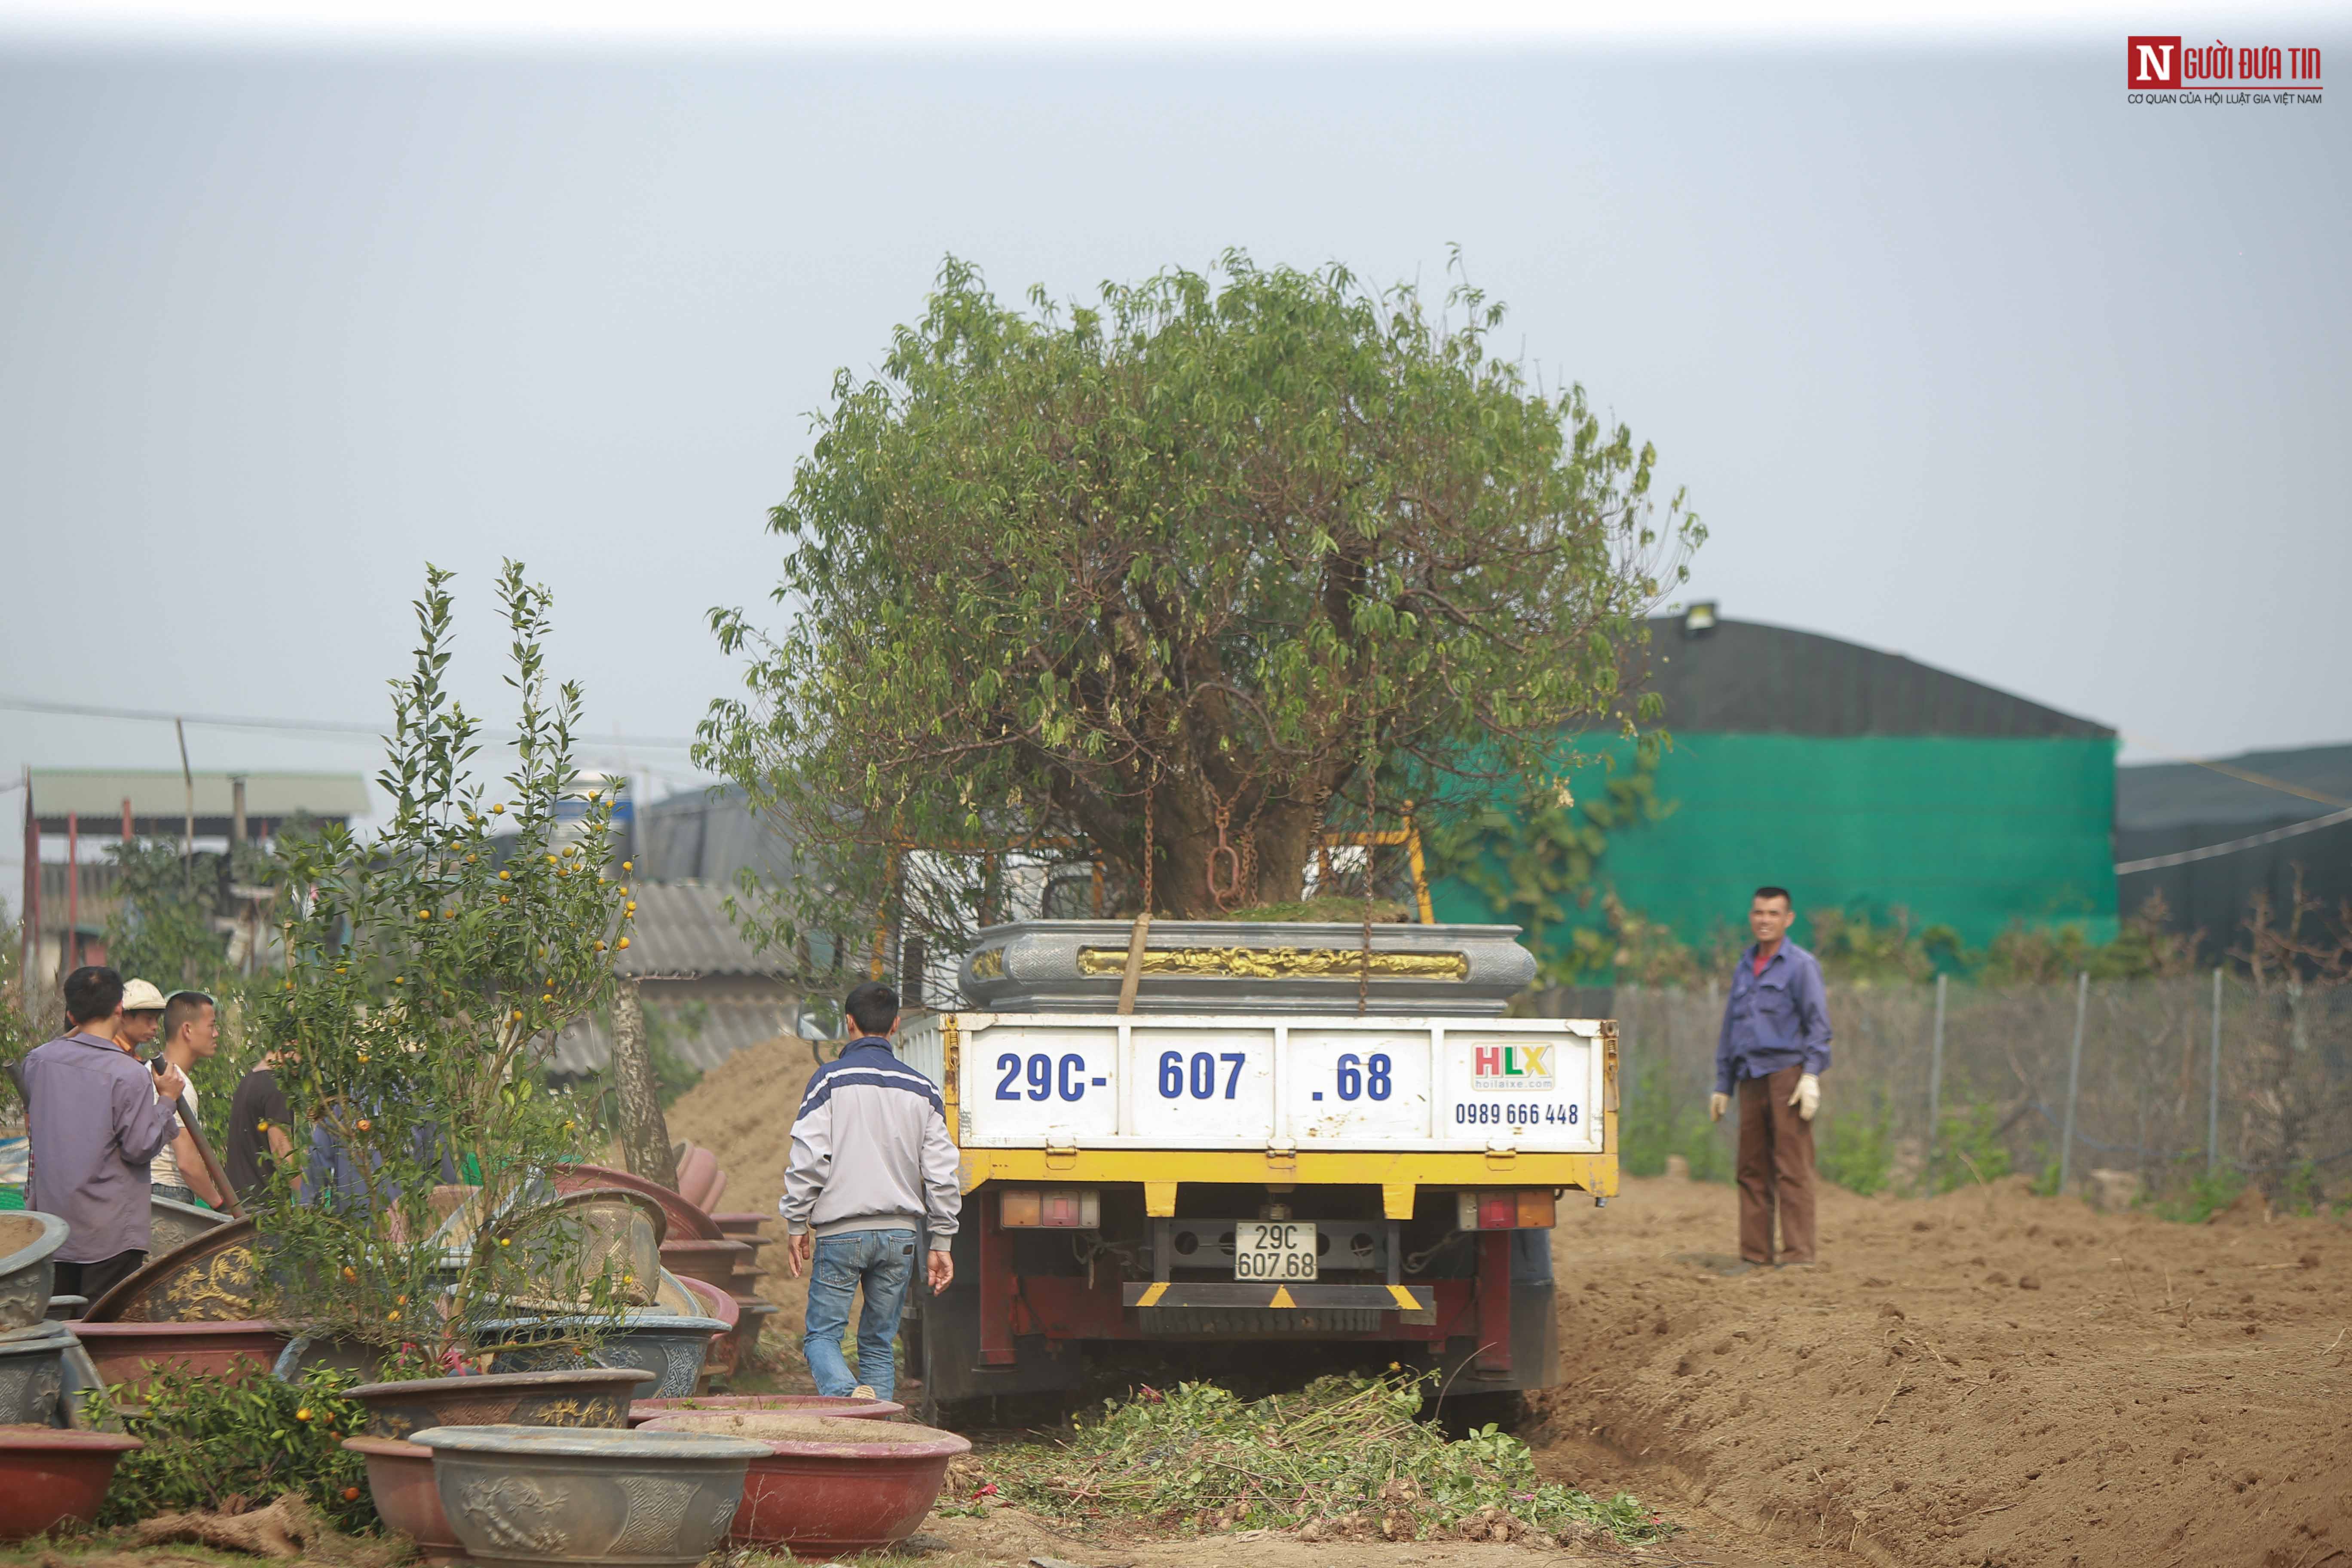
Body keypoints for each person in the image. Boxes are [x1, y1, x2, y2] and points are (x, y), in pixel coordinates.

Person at [781, 980, 959, 1403]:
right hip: (900, 1236)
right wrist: (943, 1239)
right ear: (896, 1025)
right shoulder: (924, 1089)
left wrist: (795, 1221)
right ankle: (881, 1436)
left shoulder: (828, 1081)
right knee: (879, 1344)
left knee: (822, 1338)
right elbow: (942, 1173)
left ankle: (846, 1396)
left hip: (842, 1232)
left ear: (849, 1024)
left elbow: (810, 1159)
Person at [21, 966, 185, 1301]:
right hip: (110, 1235)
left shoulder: (37, 1062)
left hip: (52, 1229)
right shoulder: (128, 1074)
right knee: (103, 1337)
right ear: (119, 1009)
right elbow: (140, 1147)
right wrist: (167, 1100)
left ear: (70, 1013)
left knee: (60, 1330)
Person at [1709, 887, 1833, 1269]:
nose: (1765, 920)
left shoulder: (1800, 965)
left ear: (1788, 919)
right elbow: (1732, 1026)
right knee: (1751, 1169)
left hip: (1787, 1077)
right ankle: (1755, 1255)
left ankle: (1798, 1256)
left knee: (1792, 1167)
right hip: (1750, 1077)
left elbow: (1818, 1025)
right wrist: (1723, 1083)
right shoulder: (1745, 965)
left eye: (1774, 913)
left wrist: (1811, 1075)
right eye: (1759, 912)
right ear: (1752, 916)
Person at [150, 991, 227, 1208]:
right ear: (188, 1030)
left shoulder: (147, 1072)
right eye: (212, 1026)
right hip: (170, 1194)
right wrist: (221, 1206)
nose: (216, 1034)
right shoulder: (178, 1084)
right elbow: (187, 1164)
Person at [224, 1046, 298, 1205]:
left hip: (240, 1201)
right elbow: (283, 1155)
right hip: (265, 1209)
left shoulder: (250, 1080)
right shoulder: (277, 1087)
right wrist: (305, 1202)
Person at [115, 978, 166, 1057]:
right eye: (149, 1019)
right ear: (124, 1016)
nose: (155, 1026)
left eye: (157, 1019)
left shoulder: (133, 1057)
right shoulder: (110, 1055)